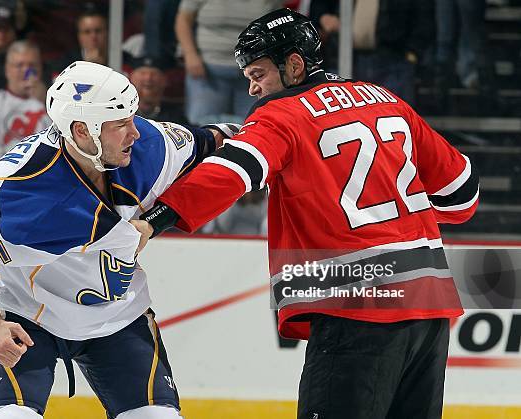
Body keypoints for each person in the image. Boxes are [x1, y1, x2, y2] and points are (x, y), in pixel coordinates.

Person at [135, 9, 479, 419]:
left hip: (354, 306)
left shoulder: (281, 115)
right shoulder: (386, 99)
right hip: (429, 308)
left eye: (258, 74)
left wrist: (154, 220)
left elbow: (231, 173)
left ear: (294, 65)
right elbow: (462, 196)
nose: (252, 88)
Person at [0, 61, 234, 418]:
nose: (134, 133)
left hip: (118, 318)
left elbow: (215, 142)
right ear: (81, 131)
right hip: (28, 319)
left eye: (132, 118)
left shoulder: (150, 145)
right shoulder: (15, 190)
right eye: (121, 124)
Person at [174, 0, 284, 124]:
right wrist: (190, 54)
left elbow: (278, 26)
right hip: (207, 72)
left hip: (254, 75)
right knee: (202, 127)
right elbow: (183, 20)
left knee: (254, 125)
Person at [0, 40, 50, 171]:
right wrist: (14, 171)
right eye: (19, 65)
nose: (26, 70)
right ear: (7, 70)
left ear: (40, 69)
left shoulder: (56, 103)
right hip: (4, 176)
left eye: (32, 65)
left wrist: (47, 102)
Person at [129, 56, 188, 125]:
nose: (148, 78)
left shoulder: (175, 115)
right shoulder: (122, 112)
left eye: (154, 74)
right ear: (131, 78)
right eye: (142, 73)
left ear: (164, 80)